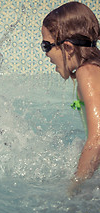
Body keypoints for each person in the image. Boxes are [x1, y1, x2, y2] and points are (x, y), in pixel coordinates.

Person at [41, 1, 100, 196]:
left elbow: (97, 139)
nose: (46, 55)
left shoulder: (87, 73)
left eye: (46, 45)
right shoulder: (93, 69)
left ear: (67, 47)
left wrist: (74, 188)